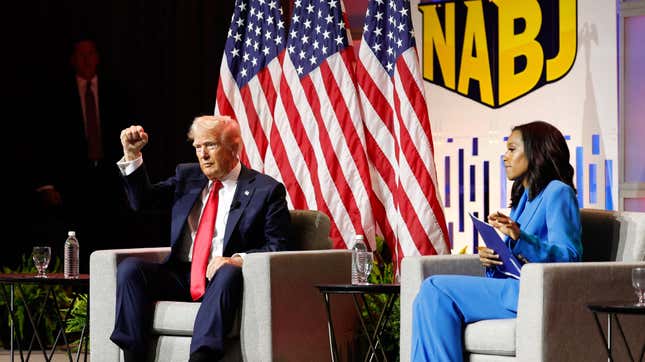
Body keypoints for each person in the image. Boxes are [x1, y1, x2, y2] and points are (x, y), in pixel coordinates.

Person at [109, 115, 290, 362]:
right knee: (130, 269)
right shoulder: (188, 178)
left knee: (227, 272)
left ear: (234, 147)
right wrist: (132, 156)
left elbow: (279, 246)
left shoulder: (265, 190)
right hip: (182, 276)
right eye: (197, 147)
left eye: (211, 145)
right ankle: (133, 358)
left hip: (223, 282)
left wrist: (236, 260)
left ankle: (201, 358)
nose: (202, 154)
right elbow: (142, 202)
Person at [411, 121, 582, 361]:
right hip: (512, 288)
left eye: (512, 149)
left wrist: (520, 237)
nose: (505, 157)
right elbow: (516, 261)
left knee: (435, 289)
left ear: (536, 152)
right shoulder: (524, 198)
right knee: (426, 299)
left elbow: (570, 257)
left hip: (532, 293)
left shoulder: (558, 192)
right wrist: (494, 259)